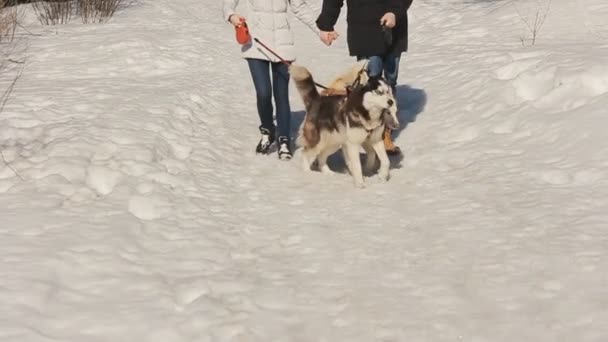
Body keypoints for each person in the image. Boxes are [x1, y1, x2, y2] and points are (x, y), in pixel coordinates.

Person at [223, 0, 320, 160]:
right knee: (263, 93)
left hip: (283, 46)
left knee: (281, 95)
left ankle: (284, 140)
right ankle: (268, 130)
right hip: (255, 44)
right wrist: (231, 15)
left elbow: (300, 7)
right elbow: (228, 4)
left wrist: (322, 30)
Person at [316, 0, 413, 155]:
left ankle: (384, 131)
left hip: (393, 27)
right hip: (363, 27)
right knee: (371, 81)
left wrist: (395, 12)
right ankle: (374, 132)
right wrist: (326, 24)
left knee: (390, 81)